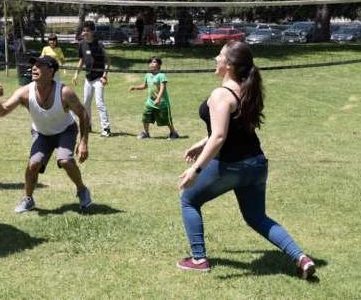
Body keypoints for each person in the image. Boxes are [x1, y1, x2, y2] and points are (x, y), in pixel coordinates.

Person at [177, 41, 316, 279]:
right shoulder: (246, 89)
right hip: (257, 164)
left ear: (229, 65)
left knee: (188, 199)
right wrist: (202, 143)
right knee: (256, 217)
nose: (215, 59)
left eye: (219, 56)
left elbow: (220, 136)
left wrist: (196, 169)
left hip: (232, 165)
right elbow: (232, 129)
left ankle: (199, 259)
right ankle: (301, 258)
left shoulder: (221, 94)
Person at [0, 56, 92, 213]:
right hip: (42, 133)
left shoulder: (64, 92)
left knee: (65, 160)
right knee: (33, 164)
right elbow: (2, 112)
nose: (34, 68)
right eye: (33, 65)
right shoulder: (24, 92)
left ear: (51, 71)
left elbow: (83, 114)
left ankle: (82, 190)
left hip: (65, 130)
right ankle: (28, 199)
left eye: (39, 65)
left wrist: (83, 142)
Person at [73, 21, 111, 137]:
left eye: (87, 31)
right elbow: (82, 60)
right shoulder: (82, 44)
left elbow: (108, 61)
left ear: (92, 32)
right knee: (86, 104)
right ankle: (87, 125)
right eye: (83, 31)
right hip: (88, 78)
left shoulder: (99, 44)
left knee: (99, 103)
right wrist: (76, 74)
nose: (84, 33)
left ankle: (106, 128)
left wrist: (105, 76)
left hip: (99, 78)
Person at [129, 56, 179, 140]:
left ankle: (173, 133)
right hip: (150, 102)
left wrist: (158, 98)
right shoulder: (147, 75)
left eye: (154, 62)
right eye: (150, 62)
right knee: (146, 116)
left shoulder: (161, 75)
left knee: (166, 119)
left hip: (162, 102)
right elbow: (144, 86)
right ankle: (146, 133)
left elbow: (163, 88)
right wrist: (135, 87)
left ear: (159, 65)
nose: (152, 63)